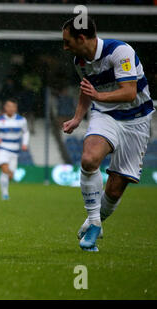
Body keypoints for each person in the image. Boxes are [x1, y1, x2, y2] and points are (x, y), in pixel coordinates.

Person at [62, 17, 154, 252]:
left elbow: (129, 92)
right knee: (89, 159)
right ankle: (94, 221)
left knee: (114, 188)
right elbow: (87, 91)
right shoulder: (79, 61)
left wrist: (98, 96)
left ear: (82, 38)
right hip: (106, 115)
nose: (65, 47)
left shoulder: (120, 51)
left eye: (67, 41)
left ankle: (95, 223)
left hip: (137, 121)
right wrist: (77, 118)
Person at [0, 98, 29, 200]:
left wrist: (25, 143)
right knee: (5, 169)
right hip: (2, 148)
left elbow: (26, 133)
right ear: (5, 108)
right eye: (9, 106)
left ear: (16, 108)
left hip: (15, 150)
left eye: (13, 106)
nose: (11, 108)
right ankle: (5, 194)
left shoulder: (22, 120)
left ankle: (5, 192)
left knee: (9, 175)